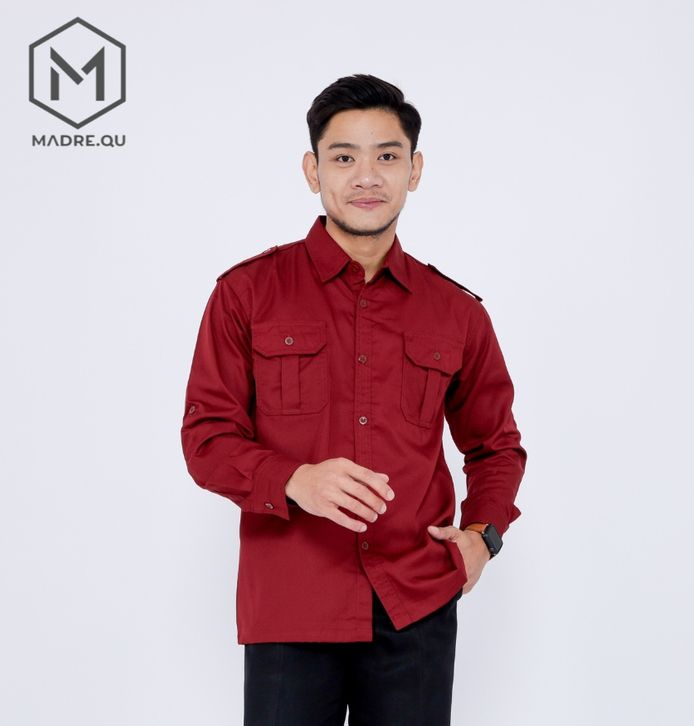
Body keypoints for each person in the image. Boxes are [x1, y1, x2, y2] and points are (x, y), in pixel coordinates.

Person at [180, 73, 527, 726]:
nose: (367, 176)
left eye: (387, 156)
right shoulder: (246, 294)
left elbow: (495, 446)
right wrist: (295, 480)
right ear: (313, 170)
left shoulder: (457, 313)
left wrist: (483, 537)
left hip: (416, 603)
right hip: (291, 602)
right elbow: (206, 439)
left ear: (414, 170)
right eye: (344, 157)